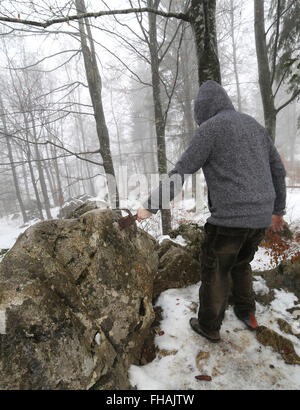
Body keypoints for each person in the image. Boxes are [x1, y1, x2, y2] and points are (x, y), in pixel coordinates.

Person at [137, 80, 286, 343]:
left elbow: (180, 173)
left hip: (230, 219)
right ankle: (247, 312)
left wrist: (150, 206)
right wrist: (278, 210)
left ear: (202, 111)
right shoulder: (254, 126)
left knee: (216, 270)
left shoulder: (210, 129)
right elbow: (277, 170)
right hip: (260, 218)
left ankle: (208, 325)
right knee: (241, 264)